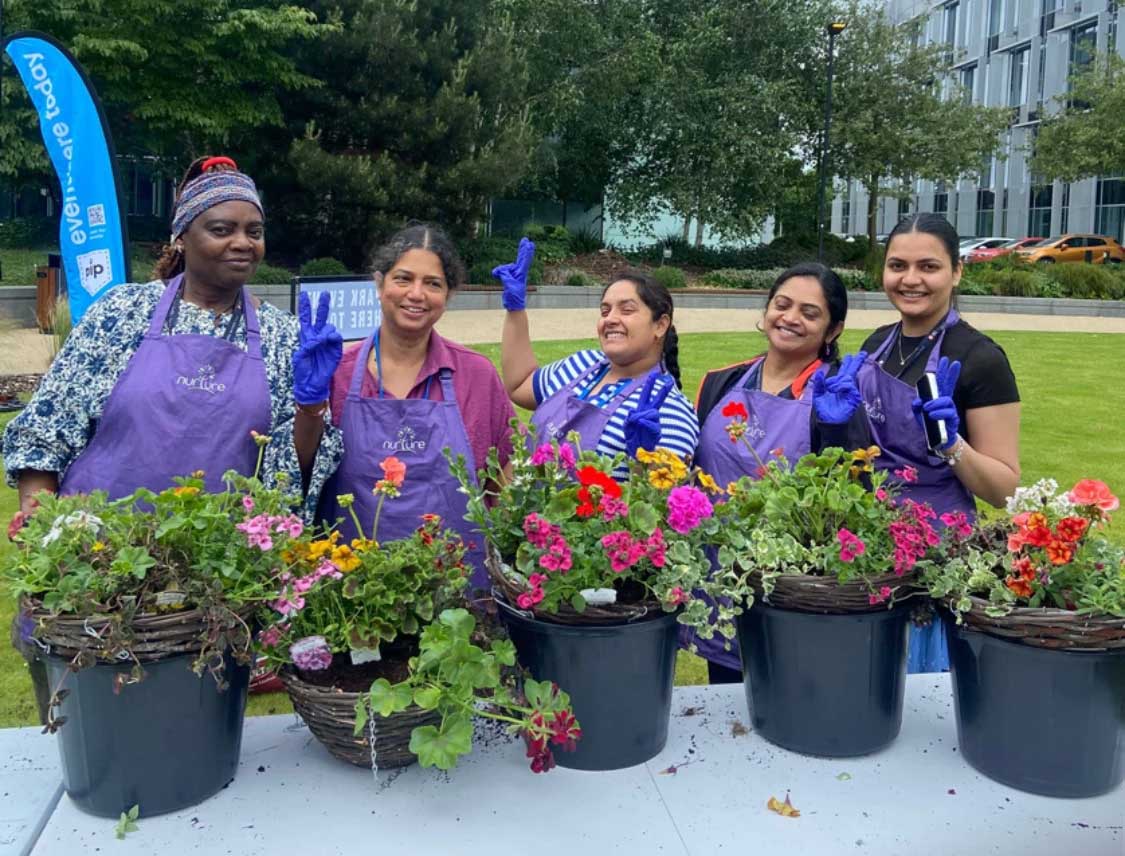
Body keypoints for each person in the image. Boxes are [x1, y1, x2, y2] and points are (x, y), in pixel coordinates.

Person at [4, 155, 343, 711]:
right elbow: (47, 429)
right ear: (182, 236)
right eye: (222, 228)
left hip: (212, 580)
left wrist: (310, 407)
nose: (242, 242)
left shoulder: (282, 338)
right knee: (92, 724)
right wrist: (51, 541)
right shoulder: (124, 314)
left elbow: (290, 476)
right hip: (99, 565)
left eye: (254, 232)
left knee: (191, 733)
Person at [308, 224, 516, 591]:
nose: (416, 294)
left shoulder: (475, 375)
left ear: (448, 294)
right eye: (403, 278)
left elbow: (504, 473)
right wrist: (307, 407)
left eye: (433, 283)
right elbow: (304, 471)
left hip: (454, 585)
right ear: (379, 283)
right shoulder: (336, 371)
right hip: (351, 588)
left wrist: (504, 546)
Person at [855, 212, 1021, 672]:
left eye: (928, 266)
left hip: (940, 551)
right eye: (897, 266)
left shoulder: (980, 359)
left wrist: (952, 446)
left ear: (957, 271)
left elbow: (1005, 489)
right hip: (870, 543)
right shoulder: (876, 344)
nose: (910, 280)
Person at [686, 263, 861, 684]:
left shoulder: (835, 395)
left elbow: (852, 499)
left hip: (790, 586)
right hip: (718, 579)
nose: (790, 318)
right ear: (766, 312)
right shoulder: (719, 382)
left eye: (809, 312)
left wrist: (838, 432)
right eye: (782, 305)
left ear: (833, 330)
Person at [498, 240, 699, 473]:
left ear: (660, 325)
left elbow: (663, 503)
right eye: (605, 311)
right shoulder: (582, 364)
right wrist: (515, 310)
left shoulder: (669, 412)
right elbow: (520, 384)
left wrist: (644, 461)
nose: (610, 318)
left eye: (627, 310)